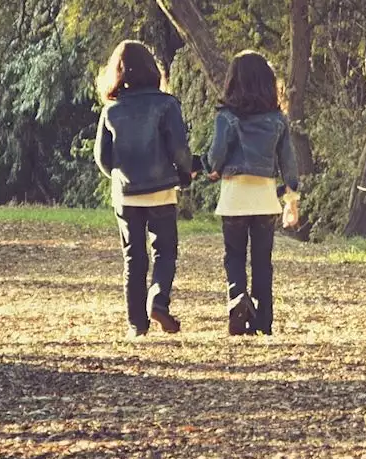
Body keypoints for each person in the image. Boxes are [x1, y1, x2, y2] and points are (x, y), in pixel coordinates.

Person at [94, 40, 194, 338]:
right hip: (161, 189)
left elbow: (102, 158)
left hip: (126, 192)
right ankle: (158, 299)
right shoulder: (167, 104)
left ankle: (137, 325)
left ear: (118, 72)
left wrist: (119, 176)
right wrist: (185, 174)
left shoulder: (111, 110)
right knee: (164, 251)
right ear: (153, 68)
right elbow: (179, 148)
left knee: (133, 257)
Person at [206, 51, 300, 336]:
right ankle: (264, 320)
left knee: (234, 256)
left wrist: (212, 169)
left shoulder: (226, 117)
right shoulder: (278, 120)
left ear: (233, 82)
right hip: (264, 199)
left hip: (234, 197)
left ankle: (237, 300)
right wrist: (291, 201)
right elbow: (289, 164)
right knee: (262, 260)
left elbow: (215, 157)